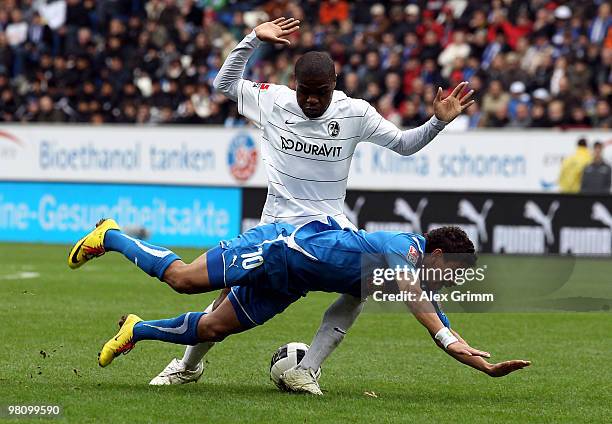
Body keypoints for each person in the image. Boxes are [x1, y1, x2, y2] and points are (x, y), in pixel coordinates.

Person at [147, 17, 475, 391]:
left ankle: (307, 370)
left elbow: (404, 144)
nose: (312, 99)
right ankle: (188, 365)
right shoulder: (274, 100)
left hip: (330, 226)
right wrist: (252, 39)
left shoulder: (356, 113)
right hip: (276, 224)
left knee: (362, 285)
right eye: (306, 91)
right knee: (224, 301)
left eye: (321, 91)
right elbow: (223, 83)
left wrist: (436, 123)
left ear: (334, 86)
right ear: (294, 84)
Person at [68, 218, 531, 387]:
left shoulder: (411, 272)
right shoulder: (400, 250)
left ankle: (136, 329)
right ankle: (112, 236)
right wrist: (447, 337)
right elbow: (421, 304)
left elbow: (438, 320)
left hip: (289, 282)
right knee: (184, 280)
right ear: (435, 254)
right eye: (453, 271)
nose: (452, 281)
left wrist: (482, 367)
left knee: (213, 328)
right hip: (277, 248)